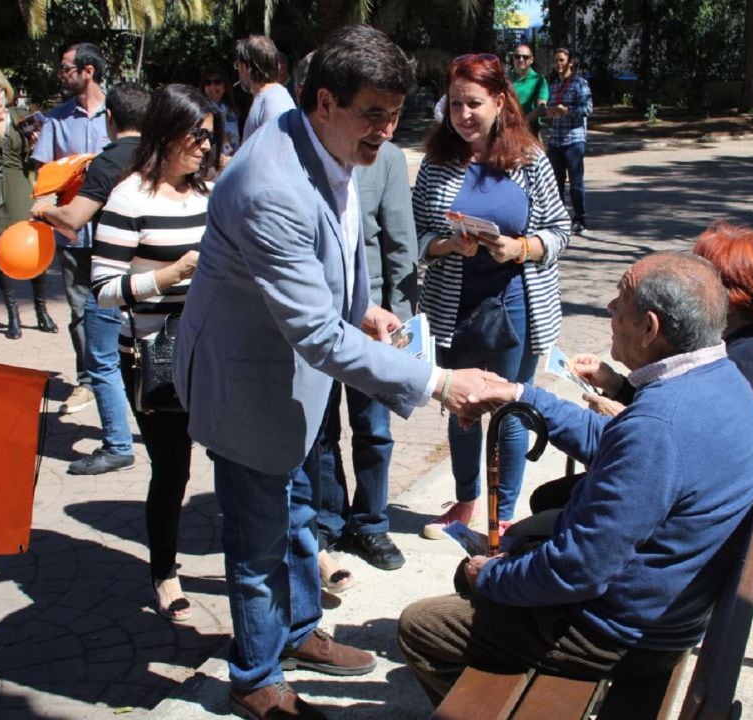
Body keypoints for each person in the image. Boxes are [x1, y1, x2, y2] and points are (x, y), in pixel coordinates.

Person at [173, 24, 498, 720]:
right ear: (325, 101)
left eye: (395, 114)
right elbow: (314, 331)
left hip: (296, 373)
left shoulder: (328, 138)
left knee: (297, 517)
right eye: (373, 115)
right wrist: (439, 383)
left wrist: (366, 309)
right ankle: (257, 676)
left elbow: (340, 249)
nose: (386, 131)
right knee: (257, 541)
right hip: (247, 383)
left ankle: (296, 633)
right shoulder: (271, 186)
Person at [397, 252, 753, 710]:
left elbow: (578, 569)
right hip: (671, 608)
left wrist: (493, 576)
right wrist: (520, 395)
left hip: (623, 634)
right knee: (514, 549)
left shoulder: (660, 426)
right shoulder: (718, 380)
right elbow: (617, 443)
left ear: (651, 328)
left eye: (621, 298)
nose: (610, 309)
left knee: (422, 624)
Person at [412, 52, 570, 541]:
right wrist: (446, 245)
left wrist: (521, 247)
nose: (463, 115)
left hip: (517, 303)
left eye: (474, 103)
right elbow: (416, 235)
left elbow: (560, 230)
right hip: (453, 306)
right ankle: (465, 501)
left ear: (500, 101)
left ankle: (503, 515)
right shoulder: (437, 163)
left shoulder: (530, 159)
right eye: (455, 104)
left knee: (507, 408)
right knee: (461, 406)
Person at [289, 50, 421, 579]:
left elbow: (399, 244)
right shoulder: (293, 162)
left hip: (372, 324)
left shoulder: (384, 159)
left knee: (374, 430)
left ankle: (370, 521)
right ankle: (325, 520)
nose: (383, 129)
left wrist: (403, 323)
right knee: (319, 431)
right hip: (314, 321)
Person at [91, 84, 220, 622]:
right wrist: (167, 276)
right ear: (166, 132)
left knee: (237, 460)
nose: (204, 147)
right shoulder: (128, 198)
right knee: (172, 471)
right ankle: (164, 573)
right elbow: (102, 289)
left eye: (211, 138)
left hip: (211, 349)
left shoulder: (207, 195)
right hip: (154, 355)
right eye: (196, 135)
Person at [573, 223, 753, 442]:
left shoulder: (739, 369)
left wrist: (622, 420)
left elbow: (691, 445)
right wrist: (615, 384)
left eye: (694, 277)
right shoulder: (749, 346)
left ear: (723, 295)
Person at [32, 82, 150, 476]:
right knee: (158, 352)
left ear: (111, 119)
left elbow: (74, 220)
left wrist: (46, 209)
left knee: (102, 360)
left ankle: (117, 443)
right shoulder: (161, 156)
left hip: (112, 274)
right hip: (157, 273)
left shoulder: (108, 161)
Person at [32, 42, 111, 416]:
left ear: (88, 71)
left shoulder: (120, 113)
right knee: (80, 308)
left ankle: (124, 375)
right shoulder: (56, 119)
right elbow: (43, 177)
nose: (60, 74)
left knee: (126, 303)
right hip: (73, 233)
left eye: (66, 68)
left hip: (119, 230)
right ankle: (87, 381)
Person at [0, 66, 57, 340]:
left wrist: (36, 141)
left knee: (35, 251)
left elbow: (37, 156)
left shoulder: (20, 116)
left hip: (19, 186)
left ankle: (42, 312)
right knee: (3, 254)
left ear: (4, 91)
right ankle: (13, 317)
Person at [545, 47, 593, 235]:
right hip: (556, 140)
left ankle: (580, 219)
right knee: (556, 182)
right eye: (556, 60)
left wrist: (568, 110)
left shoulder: (579, 84)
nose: (558, 64)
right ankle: (560, 219)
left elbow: (588, 109)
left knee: (575, 183)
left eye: (562, 60)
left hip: (574, 140)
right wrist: (549, 112)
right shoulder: (554, 86)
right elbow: (551, 108)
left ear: (570, 62)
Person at [236, 35, 296, 143]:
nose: (238, 71)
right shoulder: (269, 97)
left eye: (238, 66)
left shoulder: (274, 100)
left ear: (246, 68)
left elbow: (277, 150)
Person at [509, 44, 548, 138]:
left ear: (531, 60)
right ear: (513, 58)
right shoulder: (505, 79)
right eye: (517, 56)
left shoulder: (539, 80)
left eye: (525, 57)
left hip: (530, 133)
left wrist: (522, 122)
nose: (521, 60)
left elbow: (541, 108)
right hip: (508, 131)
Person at [200, 68, 241, 155]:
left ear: (225, 86)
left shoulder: (231, 111)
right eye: (208, 83)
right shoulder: (201, 111)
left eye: (217, 82)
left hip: (232, 157)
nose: (212, 87)